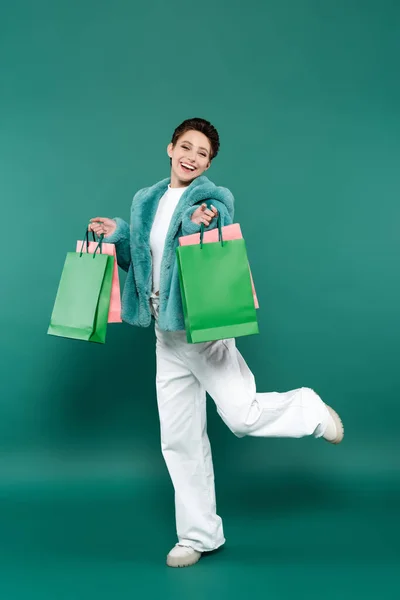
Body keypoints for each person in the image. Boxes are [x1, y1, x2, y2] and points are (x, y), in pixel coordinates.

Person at [89, 117, 344, 569]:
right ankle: (198, 536)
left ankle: (309, 409)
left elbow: (216, 235)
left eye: (202, 153)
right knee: (179, 439)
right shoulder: (145, 199)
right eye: (186, 147)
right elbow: (145, 261)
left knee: (242, 417)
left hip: (202, 332)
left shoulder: (212, 199)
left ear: (208, 163)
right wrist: (116, 235)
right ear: (170, 148)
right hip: (164, 335)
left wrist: (195, 224)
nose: (192, 157)